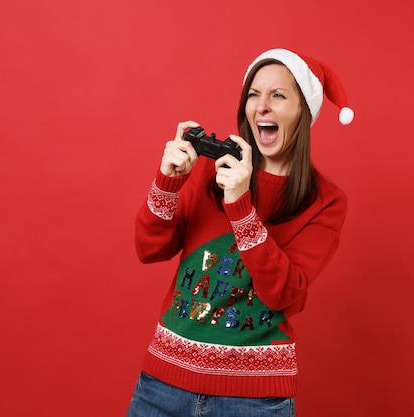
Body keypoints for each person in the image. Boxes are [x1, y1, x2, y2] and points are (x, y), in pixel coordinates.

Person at [126, 48, 354, 417]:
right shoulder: (209, 169)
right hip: (163, 387)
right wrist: (167, 183)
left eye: (278, 95)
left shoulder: (326, 202)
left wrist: (241, 205)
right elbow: (149, 248)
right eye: (253, 94)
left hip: (254, 401)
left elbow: (284, 293)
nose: (262, 106)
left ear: (304, 112)